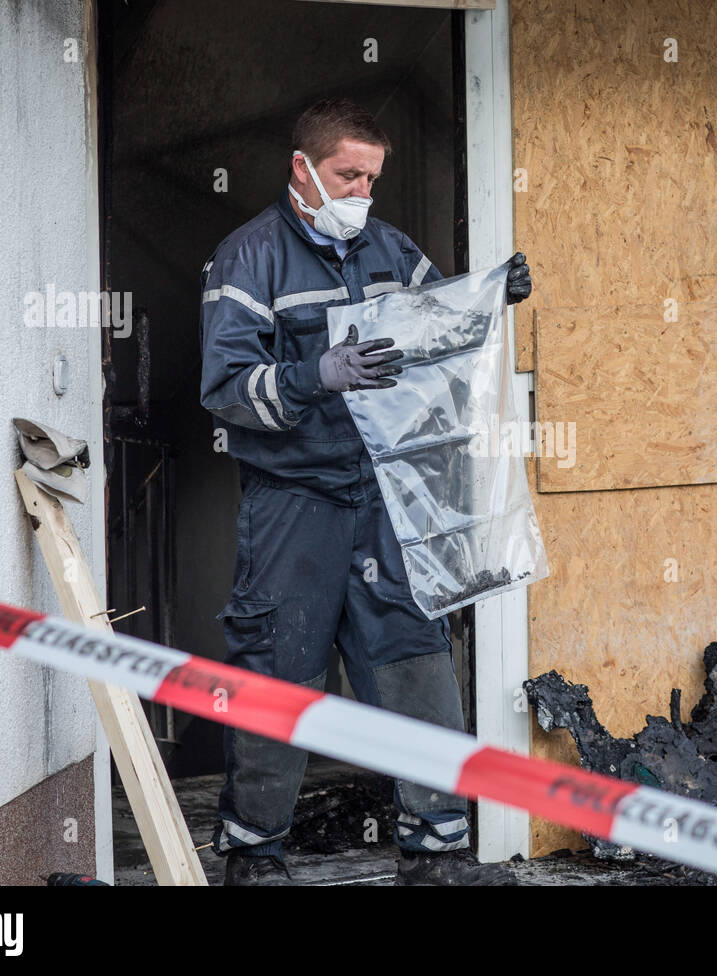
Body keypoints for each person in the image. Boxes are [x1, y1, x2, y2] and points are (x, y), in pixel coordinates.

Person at [198, 97, 532, 886]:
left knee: (417, 666)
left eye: (372, 179)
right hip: (294, 501)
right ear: (302, 169)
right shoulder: (248, 259)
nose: (361, 194)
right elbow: (223, 388)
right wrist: (319, 373)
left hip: (388, 497)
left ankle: (436, 854)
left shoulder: (389, 249)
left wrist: (487, 296)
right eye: (348, 175)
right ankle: (254, 859)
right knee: (279, 673)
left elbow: (437, 325)